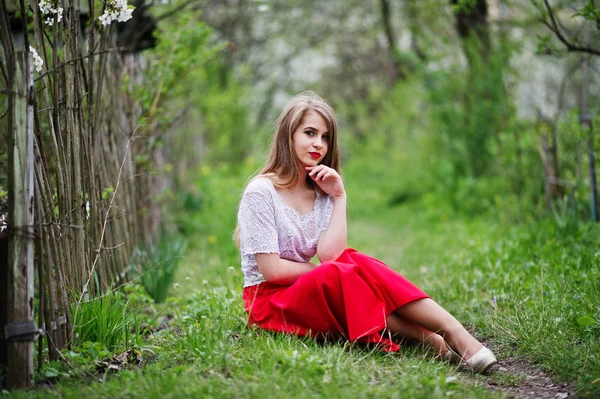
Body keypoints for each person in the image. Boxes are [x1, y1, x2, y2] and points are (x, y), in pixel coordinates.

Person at [234, 91, 497, 373]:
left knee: (353, 261)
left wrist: (339, 196)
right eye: (310, 133)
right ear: (289, 135)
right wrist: (327, 271)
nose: (318, 144)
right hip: (270, 303)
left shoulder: (321, 192)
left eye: (325, 137)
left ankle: (454, 331)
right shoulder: (261, 191)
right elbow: (272, 270)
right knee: (342, 271)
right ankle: (432, 338)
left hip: (315, 290)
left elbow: (332, 255)